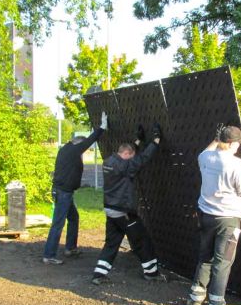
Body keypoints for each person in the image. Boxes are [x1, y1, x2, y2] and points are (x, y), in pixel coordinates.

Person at [187, 126, 241, 305]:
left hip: (206, 215)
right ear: (231, 143)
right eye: (238, 143)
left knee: (205, 256)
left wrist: (216, 137)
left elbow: (206, 150)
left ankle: (195, 298)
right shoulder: (236, 163)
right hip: (227, 219)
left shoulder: (206, 158)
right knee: (222, 263)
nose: (239, 147)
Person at [91, 123, 166, 285]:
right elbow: (143, 159)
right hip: (124, 212)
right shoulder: (126, 166)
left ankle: (99, 274)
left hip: (110, 209)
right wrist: (156, 141)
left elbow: (132, 155)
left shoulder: (109, 161)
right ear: (126, 154)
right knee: (142, 241)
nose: (133, 158)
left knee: (112, 242)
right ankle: (151, 273)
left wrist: (137, 141)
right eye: (131, 155)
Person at [42, 112, 107, 265]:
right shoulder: (73, 150)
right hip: (63, 192)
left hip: (64, 191)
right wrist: (102, 127)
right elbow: (90, 140)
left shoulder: (65, 149)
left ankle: (70, 248)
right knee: (58, 223)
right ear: (78, 144)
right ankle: (49, 255)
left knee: (73, 217)